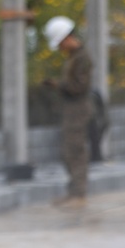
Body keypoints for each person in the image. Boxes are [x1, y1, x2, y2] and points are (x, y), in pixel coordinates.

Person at [43, 15, 94, 207]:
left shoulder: (82, 58)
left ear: (66, 37)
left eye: (60, 43)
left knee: (75, 151)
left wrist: (59, 85)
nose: (60, 48)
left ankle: (78, 195)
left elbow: (79, 87)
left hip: (78, 110)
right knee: (68, 151)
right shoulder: (75, 57)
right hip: (72, 109)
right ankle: (73, 192)